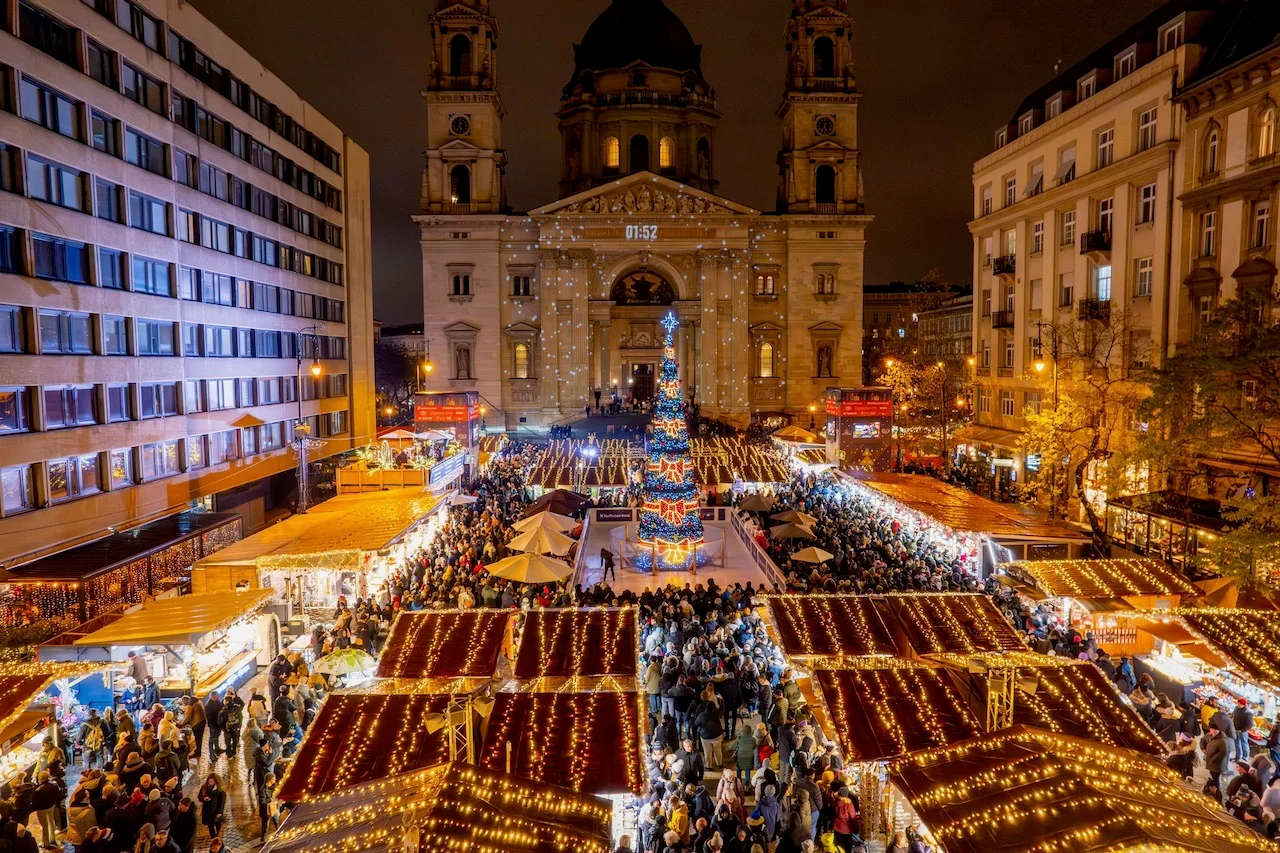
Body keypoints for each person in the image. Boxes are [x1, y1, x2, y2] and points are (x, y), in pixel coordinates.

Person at [197, 774, 226, 839]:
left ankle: (218, 833)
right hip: (207, 810)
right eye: (209, 781)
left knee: (217, 823)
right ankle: (213, 837)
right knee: (210, 825)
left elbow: (222, 802)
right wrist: (204, 798)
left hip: (216, 810)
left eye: (212, 781)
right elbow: (199, 797)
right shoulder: (204, 787)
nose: (211, 783)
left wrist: (220, 812)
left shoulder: (220, 790)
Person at [1203, 725, 1229, 794]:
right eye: (1211, 729)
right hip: (1212, 763)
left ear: (1219, 730)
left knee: (1216, 778)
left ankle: (1216, 792)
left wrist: (1212, 759)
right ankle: (1214, 790)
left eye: (1215, 730)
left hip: (1217, 764)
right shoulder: (1211, 736)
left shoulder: (1222, 740)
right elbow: (1203, 741)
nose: (1213, 731)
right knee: (1214, 777)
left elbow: (1223, 752)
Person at [203, 692, 224, 759]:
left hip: (218, 724)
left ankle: (217, 749)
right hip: (213, 725)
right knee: (212, 739)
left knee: (217, 736)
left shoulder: (218, 702)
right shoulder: (208, 706)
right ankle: (211, 754)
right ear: (212, 696)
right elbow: (209, 717)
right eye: (217, 696)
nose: (218, 697)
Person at [1233, 698, 1255, 763]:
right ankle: (1238, 757)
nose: (1238, 704)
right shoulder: (1236, 708)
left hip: (1243, 732)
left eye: (1239, 703)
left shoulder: (1248, 712)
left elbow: (1250, 725)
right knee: (1237, 744)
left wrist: (1242, 730)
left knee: (1244, 744)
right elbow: (1234, 716)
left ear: (1242, 704)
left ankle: (1245, 759)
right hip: (1235, 729)